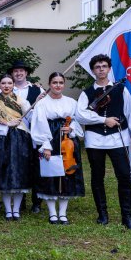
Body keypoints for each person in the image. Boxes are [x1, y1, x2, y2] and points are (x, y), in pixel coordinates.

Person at [75, 54, 131, 230]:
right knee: (97, 177)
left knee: (124, 176)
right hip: (95, 140)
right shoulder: (87, 92)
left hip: (118, 138)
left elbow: (129, 112)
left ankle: (127, 216)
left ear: (109, 68)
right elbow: (80, 114)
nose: (101, 69)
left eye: (104, 66)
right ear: (93, 70)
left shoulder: (121, 89)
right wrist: (103, 120)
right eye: (97, 67)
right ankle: (102, 214)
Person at [30, 72, 85, 225]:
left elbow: (77, 120)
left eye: (61, 82)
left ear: (64, 84)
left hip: (68, 142)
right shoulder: (42, 103)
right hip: (51, 139)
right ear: (49, 84)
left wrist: (72, 129)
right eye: (55, 82)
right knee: (51, 174)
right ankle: (52, 213)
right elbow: (39, 125)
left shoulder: (71, 102)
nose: (58, 85)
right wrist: (45, 146)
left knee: (67, 175)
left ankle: (63, 213)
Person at [0, 74, 33, 220]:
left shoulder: (22, 101)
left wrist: (37, 106)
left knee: (19, 172)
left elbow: (32, 117)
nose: (6, 86)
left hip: (21, 140)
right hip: (2, 140)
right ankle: (8, 210)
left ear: (13, 85)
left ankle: (16, 210)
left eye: (9, 83)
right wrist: (7, 125)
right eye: (3, 83)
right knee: (5, 173)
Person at [10, 59, 45, 214]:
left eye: (21, 71)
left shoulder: (37, 90)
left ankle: (37, 201)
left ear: (26, 73)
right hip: (14, 136)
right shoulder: (5, 90)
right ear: (12, 74)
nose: (19, 73)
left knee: (36, 167)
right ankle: (20, 200)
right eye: (16, 71)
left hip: (33, 134)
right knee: (19, 166)